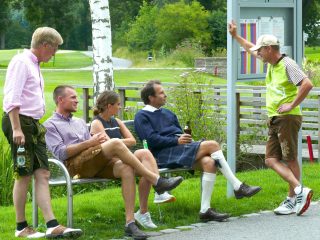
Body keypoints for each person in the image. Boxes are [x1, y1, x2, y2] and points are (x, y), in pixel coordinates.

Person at [44, 85, 183, 239]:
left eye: (77, 97)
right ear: (60, 100)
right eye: (73, 97)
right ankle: (156, 180)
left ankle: (130, 223)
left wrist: (96, 142)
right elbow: (61, 152)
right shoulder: (50, 125)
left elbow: (91, 145)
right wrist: (91, 143)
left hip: (94, 160)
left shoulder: (79, 122)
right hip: (74, 167)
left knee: (126, 168)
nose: (77, 100)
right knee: (116, 142)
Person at [134, 80, 262, 222]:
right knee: (212, 145)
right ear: (151, 97)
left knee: (209, 162)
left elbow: (177, 132)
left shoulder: (168, 113)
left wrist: (187, 140)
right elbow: (150, 140)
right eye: (161, 93)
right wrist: (176, 141)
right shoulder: (141, 116)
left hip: (178, 149)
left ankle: (205, 210)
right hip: (160, 155)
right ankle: (238, 187)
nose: (165, 95)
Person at [1, 27, 83, 239]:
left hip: (33, 124)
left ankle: (52, 225)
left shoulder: (34, 64)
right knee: (24, 173)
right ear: (45, 45)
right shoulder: (21, 62)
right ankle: (21, 227)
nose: (55, 53)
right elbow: (12, 97)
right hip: (21, 123)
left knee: (43, 173)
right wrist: (17, 127)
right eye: (54, 48)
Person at [228, 20, 313, 216]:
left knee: (290, 158)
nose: (258, 53)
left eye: (261, 50)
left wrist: (292, 105)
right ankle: (299, 190)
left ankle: (293, 198)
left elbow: (307, 84)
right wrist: (236, 36)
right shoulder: (271, 64)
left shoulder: (287, 64)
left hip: (287, 118)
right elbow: (250, 48)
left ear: (268, 49)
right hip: (275, 118)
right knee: (271, 159)